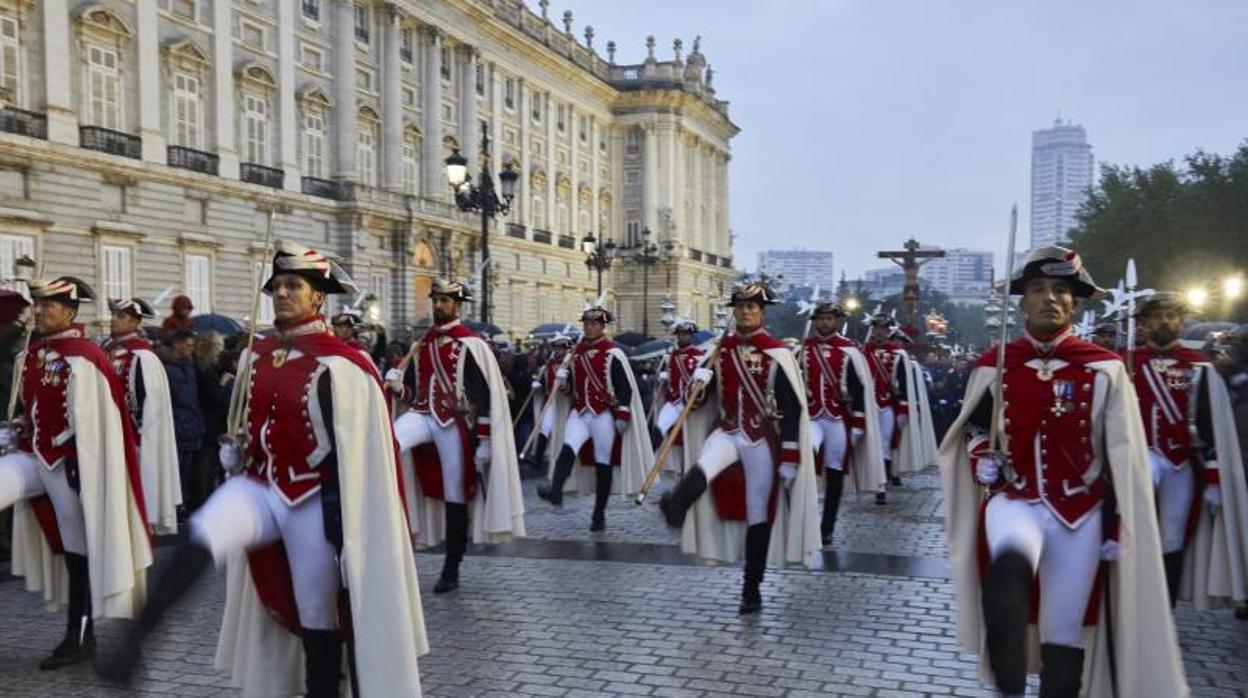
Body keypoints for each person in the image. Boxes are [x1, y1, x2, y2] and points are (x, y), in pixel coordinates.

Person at [97, 241, 426, 697]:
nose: (283, 293)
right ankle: (132, 643)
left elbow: (360, 458)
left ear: (317, 297)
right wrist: (239, 450)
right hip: (261, 485)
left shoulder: (345, 365)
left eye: (295, 285)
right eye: (277, 286)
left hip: (315, 499)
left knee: (318, 617)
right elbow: (248, 419)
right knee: (201, 534)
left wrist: (352, 534)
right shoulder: (259, 352)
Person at [940, 246, 1186, 697]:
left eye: (1060, 290)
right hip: (1015, 497)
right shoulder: (997, 365)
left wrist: (1118, 524)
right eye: (1038, 290)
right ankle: (1009, 682)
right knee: (1010, 566)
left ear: (1075, 303)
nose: (1050, 298)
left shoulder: (1105, 369)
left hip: (1081, 510)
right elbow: (974, 426)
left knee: (1063, 630)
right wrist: (981, 456)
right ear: (1022, 303)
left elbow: (1122, 457)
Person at [0, 276, 151, 671]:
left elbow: (97, 422)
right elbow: (29, 409)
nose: (41, 310)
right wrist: (16, 428)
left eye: (50, 304)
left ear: (69, 311)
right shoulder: (32, 355)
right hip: (35, 456)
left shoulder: (84, 357)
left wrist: (85, 468)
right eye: (38, 303)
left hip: (68, 463)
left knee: (77, 548)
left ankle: (80, 635)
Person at [658, 283, 820, 614]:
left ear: (762, 312)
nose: (745, 312)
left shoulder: (778, 353)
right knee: (704, 465)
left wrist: (790, 457)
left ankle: (751, 587)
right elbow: (699, 401)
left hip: (761, 437)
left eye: (752, 307)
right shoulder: (720, 349)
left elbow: (792, 409)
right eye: (741, 307)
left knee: (758, 511)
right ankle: (676, 506)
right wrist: (699, 381)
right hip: (728, 428)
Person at [386, 279, 524, 594]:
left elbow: (485, 395)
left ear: (456, 305)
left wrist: (486, 441)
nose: (438, 306)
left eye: (445, 301)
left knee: (455, 491)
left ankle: (452, 564)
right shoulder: (422, 344)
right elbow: (413, 391)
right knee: (387, 443)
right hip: (422, 414)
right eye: (435, 300)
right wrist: (397, 387)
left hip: (454, 421)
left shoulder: (470, 344)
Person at [1128, 292, 1248, 610]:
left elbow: (1213, 426)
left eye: (1172, 315)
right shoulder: (1126, 363)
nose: (1165, 321)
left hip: (1182, 464)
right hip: (1139, 458)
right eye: (1157, 316)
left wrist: (1213, 478)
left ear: (1181, 322)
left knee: (1172, 537)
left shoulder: (1201, 367)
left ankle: (1163, 608)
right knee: (1131, 526)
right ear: (1144, 322)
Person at [537, 301, 651, 532]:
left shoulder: (613, 353)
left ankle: (599, 513)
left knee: (603, 462)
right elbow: (571, 390)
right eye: (586, 323)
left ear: (602, 326)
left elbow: (624, 388)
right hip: (580, 411)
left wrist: (623, 415)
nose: (588, 328)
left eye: (593, 324)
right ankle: (556, 491)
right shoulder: (575, 354)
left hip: (603, 414)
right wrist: (563, 382)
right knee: (568, 447)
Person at [800, 302, 885, 546]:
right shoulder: (804, 349)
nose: (825, 323)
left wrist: (858, 423)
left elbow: (859, 389)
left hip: (837, 418)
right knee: (805, 461)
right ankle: (803, 518)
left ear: (836, 321)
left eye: (829, 318)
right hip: (812, 417)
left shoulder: (850, 351)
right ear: (815, 321)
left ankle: (827, 526)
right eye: (821, 318)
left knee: (835, 470)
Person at [102, 297, 181, 533]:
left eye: (122, 317)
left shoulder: (144, 357)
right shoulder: (105, 350)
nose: (114, 320)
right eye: (114, 315)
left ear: (135, 322)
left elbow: (150, 406)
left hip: (134, 439)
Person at [653, 318, 705, 475]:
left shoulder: (698, 356)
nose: (682, 337)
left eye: (686, 334)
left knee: (686, 439)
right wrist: (663, 376)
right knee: (659, 428)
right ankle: (652, 459)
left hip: (687, 402)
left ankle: (685, 469)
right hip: (672, 400)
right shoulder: (671, 355)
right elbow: (669, 375)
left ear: (691, 336)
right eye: (680, 334)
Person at [864, 313, 905, 503]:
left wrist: (903, 410)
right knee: (870, 446)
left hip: (887, 405)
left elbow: (903, 385)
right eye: (877, 329)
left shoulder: (897, 355)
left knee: (885, 444)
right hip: (866, 406)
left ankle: (882, 484)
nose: (879, 333)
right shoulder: (863, 352)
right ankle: (871, 480)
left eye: (883, 329)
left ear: (889, 331)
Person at [162, 329, 204, 512]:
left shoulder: (192, 367)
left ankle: (183, 504)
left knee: (187, 472)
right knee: (175, 470)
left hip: (191, 426)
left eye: (193, 346)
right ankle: (175, 506)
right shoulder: (168, 369)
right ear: (177, 345)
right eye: (188, 346)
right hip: (178, 427)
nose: (191, 349)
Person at [529, 332, 574, 477]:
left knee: (563, 432)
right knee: (545, 427)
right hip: (551, 401)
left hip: (566, 403)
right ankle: (537, 458)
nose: (558, 351)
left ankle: (561, 460)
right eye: (556, 348)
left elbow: (573, 387)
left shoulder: (571, 364)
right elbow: (545, 382)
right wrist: (538, 385)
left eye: (561, 348)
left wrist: (565, 384)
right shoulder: (549, 364)